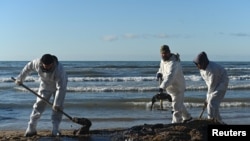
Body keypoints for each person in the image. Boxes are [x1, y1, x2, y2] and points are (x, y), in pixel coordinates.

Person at [14, 54, 68, 137]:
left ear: (53, 63)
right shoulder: (36, 63)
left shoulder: (59, 69)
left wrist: (57, 103)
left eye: (49, 66)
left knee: (58, 108)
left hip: (59, 86)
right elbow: (27, 68)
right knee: (38, 106)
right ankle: (31, 128)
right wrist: (20, 79)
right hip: (45, 85)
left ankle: (55, 129)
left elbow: (61, 88)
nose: (46, 67)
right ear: (42, 63)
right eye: (45, 65)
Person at [156, 45, 192, 123]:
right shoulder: (163, 60)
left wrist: (162, 87)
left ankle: (176, 123)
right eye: (162, 53)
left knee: (176, 107)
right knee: (179, 103)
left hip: (178, 87)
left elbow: (170, 77)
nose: (163, 55)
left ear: (169, 52)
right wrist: (159, 73)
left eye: (165, 53)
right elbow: (161, 69)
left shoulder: (174, 63)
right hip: (170, 88)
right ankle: (187, 117)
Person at [193, 51, 229, 123]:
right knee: (214, 104)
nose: (197, 66)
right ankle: (219, 121)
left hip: (222, 83)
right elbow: (208, 83)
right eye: (196, 64)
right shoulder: (202, 69)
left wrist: (207, 98)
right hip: (214, 83)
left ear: (203, 63)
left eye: (198, 64)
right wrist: (207, 97)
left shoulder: (212, 70)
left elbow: (212, 85)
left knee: (211, 103)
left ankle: (210, 121)